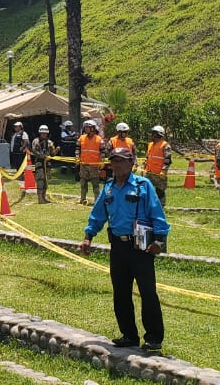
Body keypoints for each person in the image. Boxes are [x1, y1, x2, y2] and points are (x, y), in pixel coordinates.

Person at [80, 146, 169, 353]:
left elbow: (157, 214)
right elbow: (98, 214)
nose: (117, 165)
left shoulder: (143, 185)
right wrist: (88, 236)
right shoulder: (109, 188)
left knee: (148, 293)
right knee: (121, 292)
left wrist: (160, 241)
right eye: (114, 161)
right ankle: (129, 335)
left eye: (121, 161)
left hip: (141, 247)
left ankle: (154, 338)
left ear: (131, 163)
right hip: (118, 247)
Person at [143, 126, 173, 205]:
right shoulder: (150, 145)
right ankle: (147, 205)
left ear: (157, 134)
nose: (151, 135)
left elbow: (167, 160)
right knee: (145, 189)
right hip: (148, 172)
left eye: (153, 133)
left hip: (159, 174)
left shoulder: (165, 146)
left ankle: (161, 206)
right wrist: (144, 167)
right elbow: (148, 157)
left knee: (160, 191)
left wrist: (163, 171)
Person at [78, 120, 105, 204]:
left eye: (88, 127)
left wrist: (102, 162)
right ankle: (82, 199)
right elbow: (77, 149)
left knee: (95, 184)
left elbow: (103, 152)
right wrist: (76, 158)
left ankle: (97, 201)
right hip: (83, 165)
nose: (86, 129)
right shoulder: (81, 138)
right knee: (83, 183)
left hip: (94, 166)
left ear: (93, 128)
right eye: (85, 127)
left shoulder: (99, 140)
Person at [30, 124, 55, 204]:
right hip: (39, 163)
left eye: (45, 133)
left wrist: (55, 149)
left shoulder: (50, 142)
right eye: (42, 133)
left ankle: (44, 197)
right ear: (40, 133)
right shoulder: (35, 141)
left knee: (46, 181)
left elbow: (52, 154)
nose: (44, 134)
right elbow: (35, 152)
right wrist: (43, 156)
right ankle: (40, 198)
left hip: (47, 164)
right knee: (40, 181)